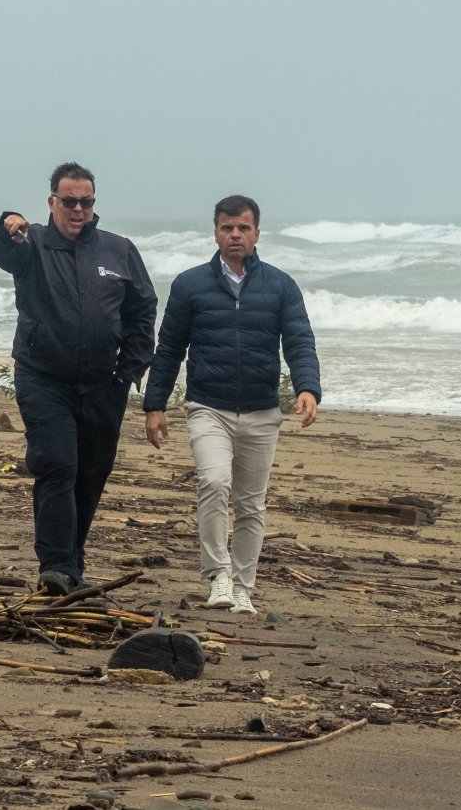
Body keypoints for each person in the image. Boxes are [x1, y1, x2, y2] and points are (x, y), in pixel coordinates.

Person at [143, 195, 321, 615]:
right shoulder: (189, 285)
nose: (235, 235)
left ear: (257, 233)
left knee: (251, 503)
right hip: (209, 407)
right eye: (227, 227)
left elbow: (299, 341)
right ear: (216, 232)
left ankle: (243, 587)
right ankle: (218, 576)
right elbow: (169, 348)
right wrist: (155, 404)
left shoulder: (280, 285)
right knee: (214, 482)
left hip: (262, 410)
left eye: (243, 228)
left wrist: (308, 387)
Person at [0, 162, 157, 596]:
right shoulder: (31, 244)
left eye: (86, 202)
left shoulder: (119, 250)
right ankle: (56, 566)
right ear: (52, 202)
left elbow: (142, 310)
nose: (78, 209)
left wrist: (130, 369)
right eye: (69, 202)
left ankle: (71, 562)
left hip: (104, 383)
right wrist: (6, 224)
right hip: (43, 379)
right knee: (57, 463)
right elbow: (3, 251)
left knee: (91, 472)